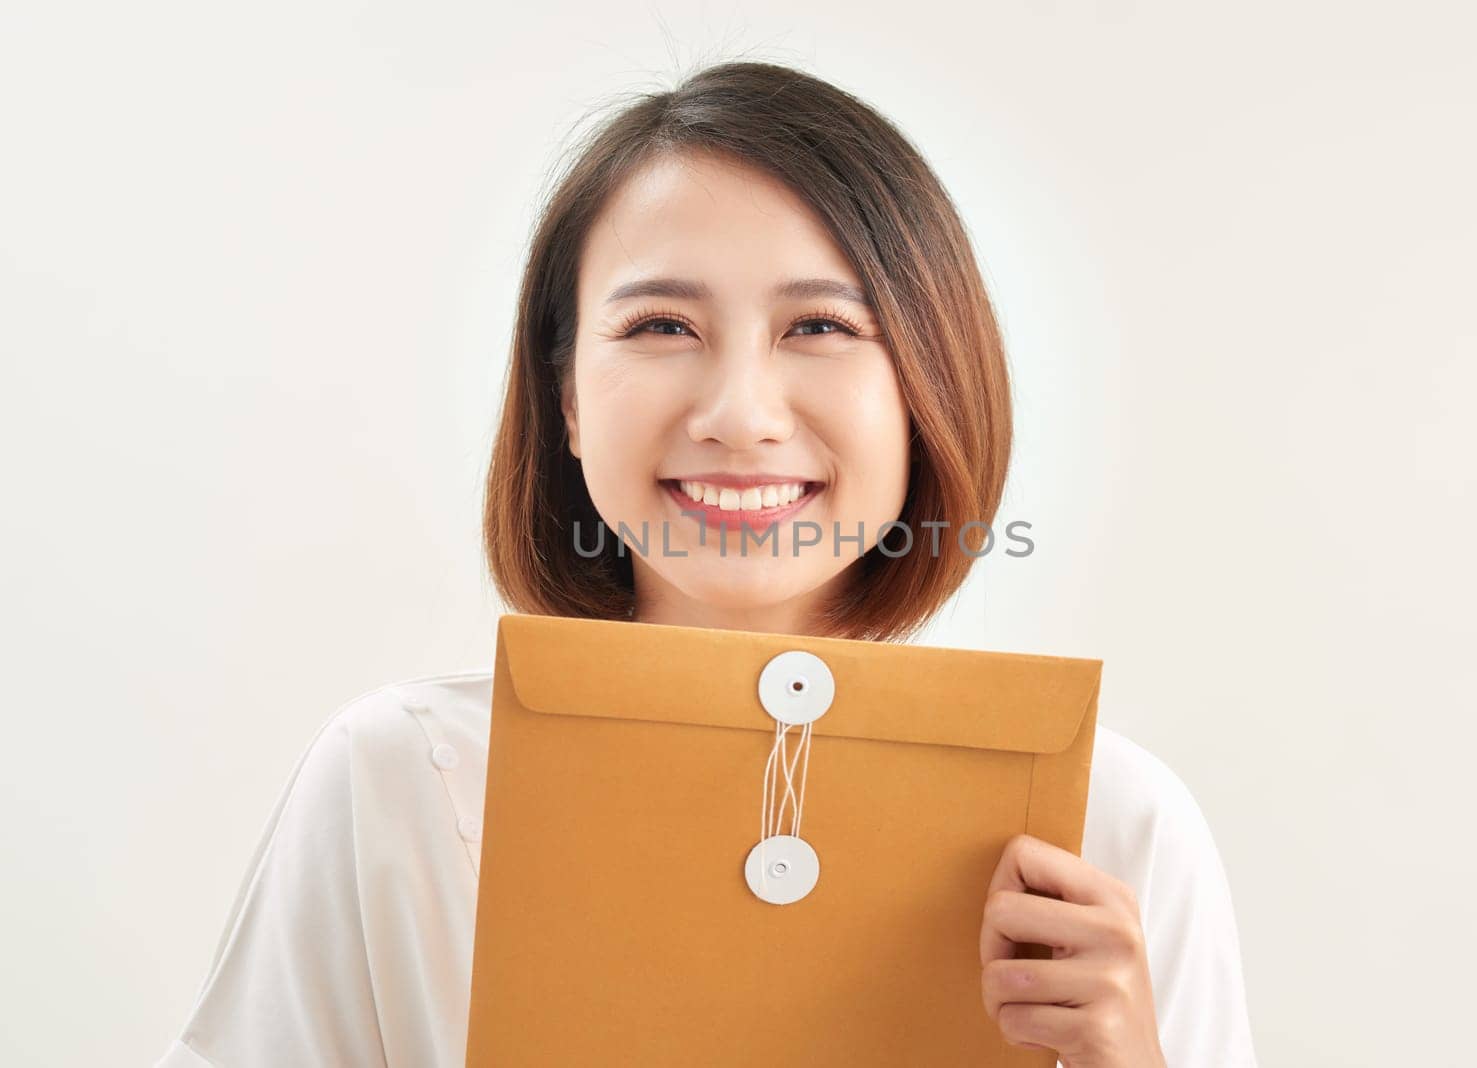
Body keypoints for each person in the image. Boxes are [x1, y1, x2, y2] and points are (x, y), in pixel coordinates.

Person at [153, 60, 1257, 1068]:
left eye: (820, 328)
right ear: (570, 397)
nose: (739, 416)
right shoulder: (401, 782)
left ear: (927, 387)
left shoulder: (1107, 826)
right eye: (663, 326)